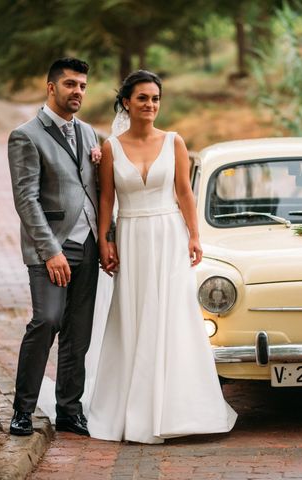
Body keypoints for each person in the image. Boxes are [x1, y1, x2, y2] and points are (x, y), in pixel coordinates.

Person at [87, 70, 237, 444]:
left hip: (169, 234)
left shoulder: (174, 142)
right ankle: (133, 409)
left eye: (155, 98)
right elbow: (107, 198)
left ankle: (178, 408)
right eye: (142, 98)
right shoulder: (111, 148)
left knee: (171, 315)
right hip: (132, 235)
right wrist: (107, 240)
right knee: (134, 313)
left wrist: (195, 235)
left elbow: (185, 193)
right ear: (126, 102)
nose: (150, 105)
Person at [7, 57, 114, 436]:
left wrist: (107, 239)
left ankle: (70, 410)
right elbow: (26, 200)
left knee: (78, 332)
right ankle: (22, 410)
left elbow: (98, 190)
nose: (78, 92)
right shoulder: (26, 135)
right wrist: (50, 251)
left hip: (86, 245)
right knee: (47, 321)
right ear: (50, 87)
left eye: (83, 86)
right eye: (70, 84)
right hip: (51, 247)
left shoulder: (89, 134)